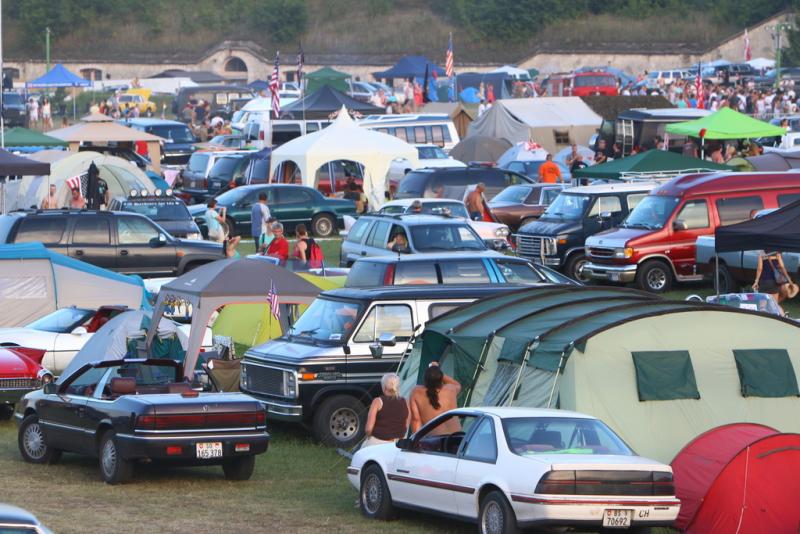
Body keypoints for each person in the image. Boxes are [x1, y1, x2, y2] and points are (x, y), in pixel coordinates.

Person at [410, 362, 461, 434]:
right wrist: (437, 370)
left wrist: (416, 439)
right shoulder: (451, 389)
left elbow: (416, 419)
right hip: (457, 436)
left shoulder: (416, 392)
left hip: (435, 438)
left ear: (425, 379)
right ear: (441, 378)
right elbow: (457, 384)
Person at [363, 373, 410, 448]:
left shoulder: (377, 401)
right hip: (398, 444)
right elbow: (406, 426)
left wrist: (368, 437)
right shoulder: (406, 402)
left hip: (378, 442)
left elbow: (368, 429)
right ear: (398, 387)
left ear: (384, 387)